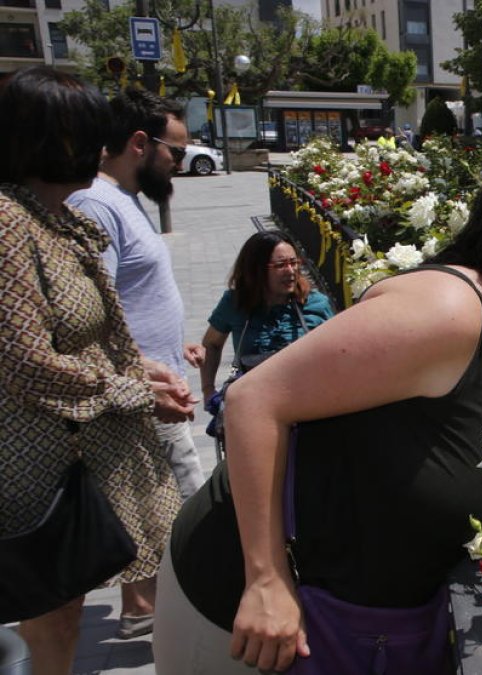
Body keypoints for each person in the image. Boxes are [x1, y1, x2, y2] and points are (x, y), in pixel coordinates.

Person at [154, 177, 482, 673]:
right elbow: (251, 400)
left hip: (344, 619)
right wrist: (265, 580)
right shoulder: (445, 314)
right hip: (237, 605)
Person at [0, 66, 191, 675]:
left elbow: (97, 328)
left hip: (78, 450)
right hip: (42, 463)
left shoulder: (52, 216)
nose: (97, 150)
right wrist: (132, 389)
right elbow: (26, 363)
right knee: (55, 611)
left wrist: (142, 369)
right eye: (84, 135)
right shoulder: (9, 224)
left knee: (65, 607)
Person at [66, 87, 206, 641]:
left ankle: (145, 608)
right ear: (139, 143)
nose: (178, 161)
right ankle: (188, 616)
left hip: (155, 380)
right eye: (174, 150)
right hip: (140, 392)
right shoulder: (98, 205)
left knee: (147, 509)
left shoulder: (124, 198)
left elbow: (134, 293)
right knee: (189, 510)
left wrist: (177, 346)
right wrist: (143, 372)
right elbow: (90, 310)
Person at [198, 230, 335, 407]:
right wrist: (208, 391)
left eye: (294, 263)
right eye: (280, 265)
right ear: (256, 269)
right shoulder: (236, 303)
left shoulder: (316, 303)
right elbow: (211, 344)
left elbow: (337, 351)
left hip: (308, 407)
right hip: (254, 408)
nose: (291, 271)